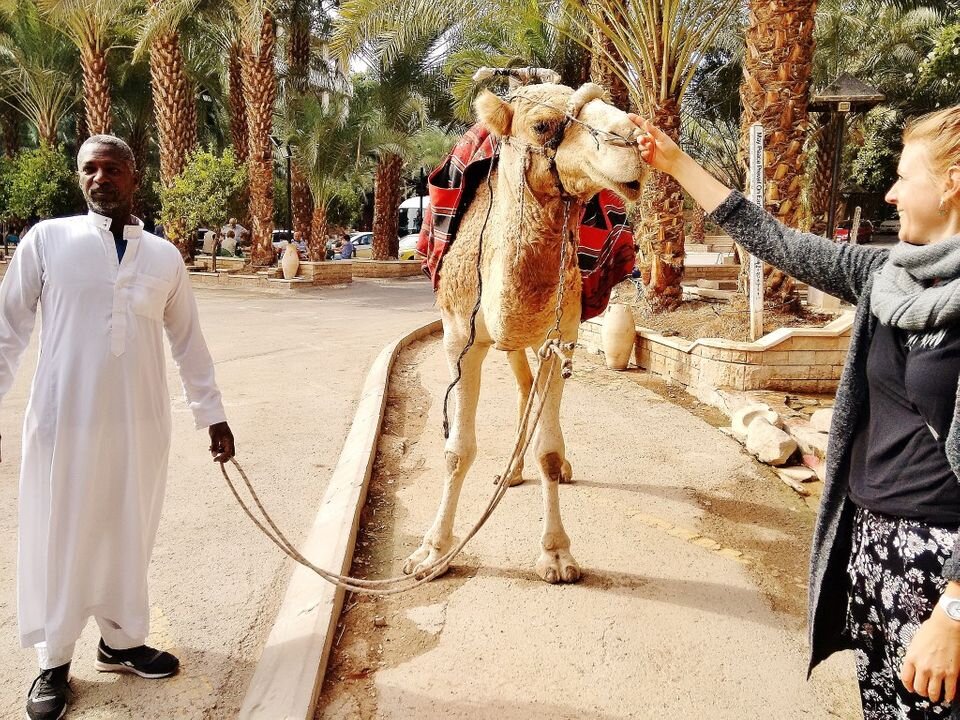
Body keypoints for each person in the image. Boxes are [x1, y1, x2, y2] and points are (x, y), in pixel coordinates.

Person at [630, 106, 960, 718]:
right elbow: (774, 239)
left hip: (945, 570)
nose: (889, 192)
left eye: (901, 175)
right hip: (873, 546)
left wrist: (955, 611)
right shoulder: (886, 274)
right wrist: (675, 164)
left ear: (951, 182)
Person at [0, 134, 236, 720]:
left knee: (130, 530)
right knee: (63, 535)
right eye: (89, 169)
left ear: (136, 176)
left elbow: (190, 344)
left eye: (111, 168)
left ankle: (122, 640)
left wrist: (214, 416)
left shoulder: (163, 256)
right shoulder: (48, 240)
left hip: (141, 425)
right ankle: (53, 661)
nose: (99, 177)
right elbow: (7, 331)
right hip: (64, 424)